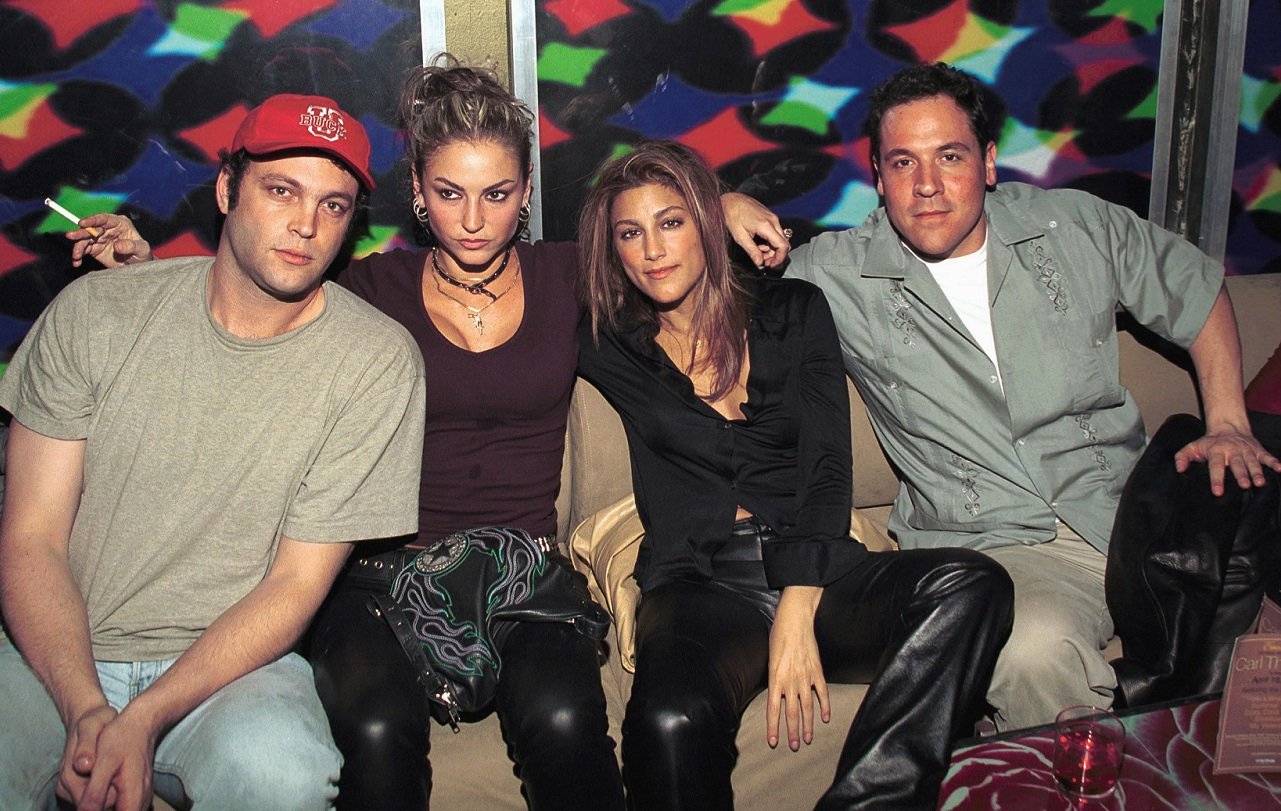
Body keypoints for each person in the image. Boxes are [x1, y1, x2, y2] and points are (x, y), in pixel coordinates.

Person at [65, 57, 787, 809]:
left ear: (527, 195)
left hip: (522, 574)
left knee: (566, 715)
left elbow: (657, 235)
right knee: (377, 728)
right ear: (416, 194)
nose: (473, 219)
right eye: (449, 193)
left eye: (497, 194)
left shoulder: (568, 277)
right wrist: (149, 265)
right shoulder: (367, 289)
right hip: (376, 575)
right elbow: (249, 288)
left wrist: (722, 204)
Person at [782, 62, 1281, 730]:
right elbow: (711, 300)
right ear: (877, 176)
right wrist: (721, 207)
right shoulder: (833, 273)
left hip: (1137, 520)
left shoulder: (1072, 226)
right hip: (999, 547)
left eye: (948, 156)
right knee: (1032, 648)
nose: (926, 186)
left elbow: (1192, 290)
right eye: (902, 162)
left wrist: (1226, 419)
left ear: (987, 163)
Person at [0, 94, 426, 811]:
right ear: (228, 188)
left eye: (333, 205)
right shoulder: (94, 314)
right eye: (281, 190)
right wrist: (85, 707)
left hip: (231, 671)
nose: (305, 225)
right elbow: (30, 536)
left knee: (282, 773)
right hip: (59, 651)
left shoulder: (375, 362)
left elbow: (293, 584)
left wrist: (142, 718)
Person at [575, 140, 1014, 809]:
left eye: (672, 222)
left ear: (705, 226)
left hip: (817, 569)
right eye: (630, 234)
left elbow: (829, 465)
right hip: (699, 583)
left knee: (971, 583)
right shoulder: (607, 341)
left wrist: (796, 607)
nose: (653, 251)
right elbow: (497, 256)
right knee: (666, 720)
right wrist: (710, 203)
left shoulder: (795, 310)